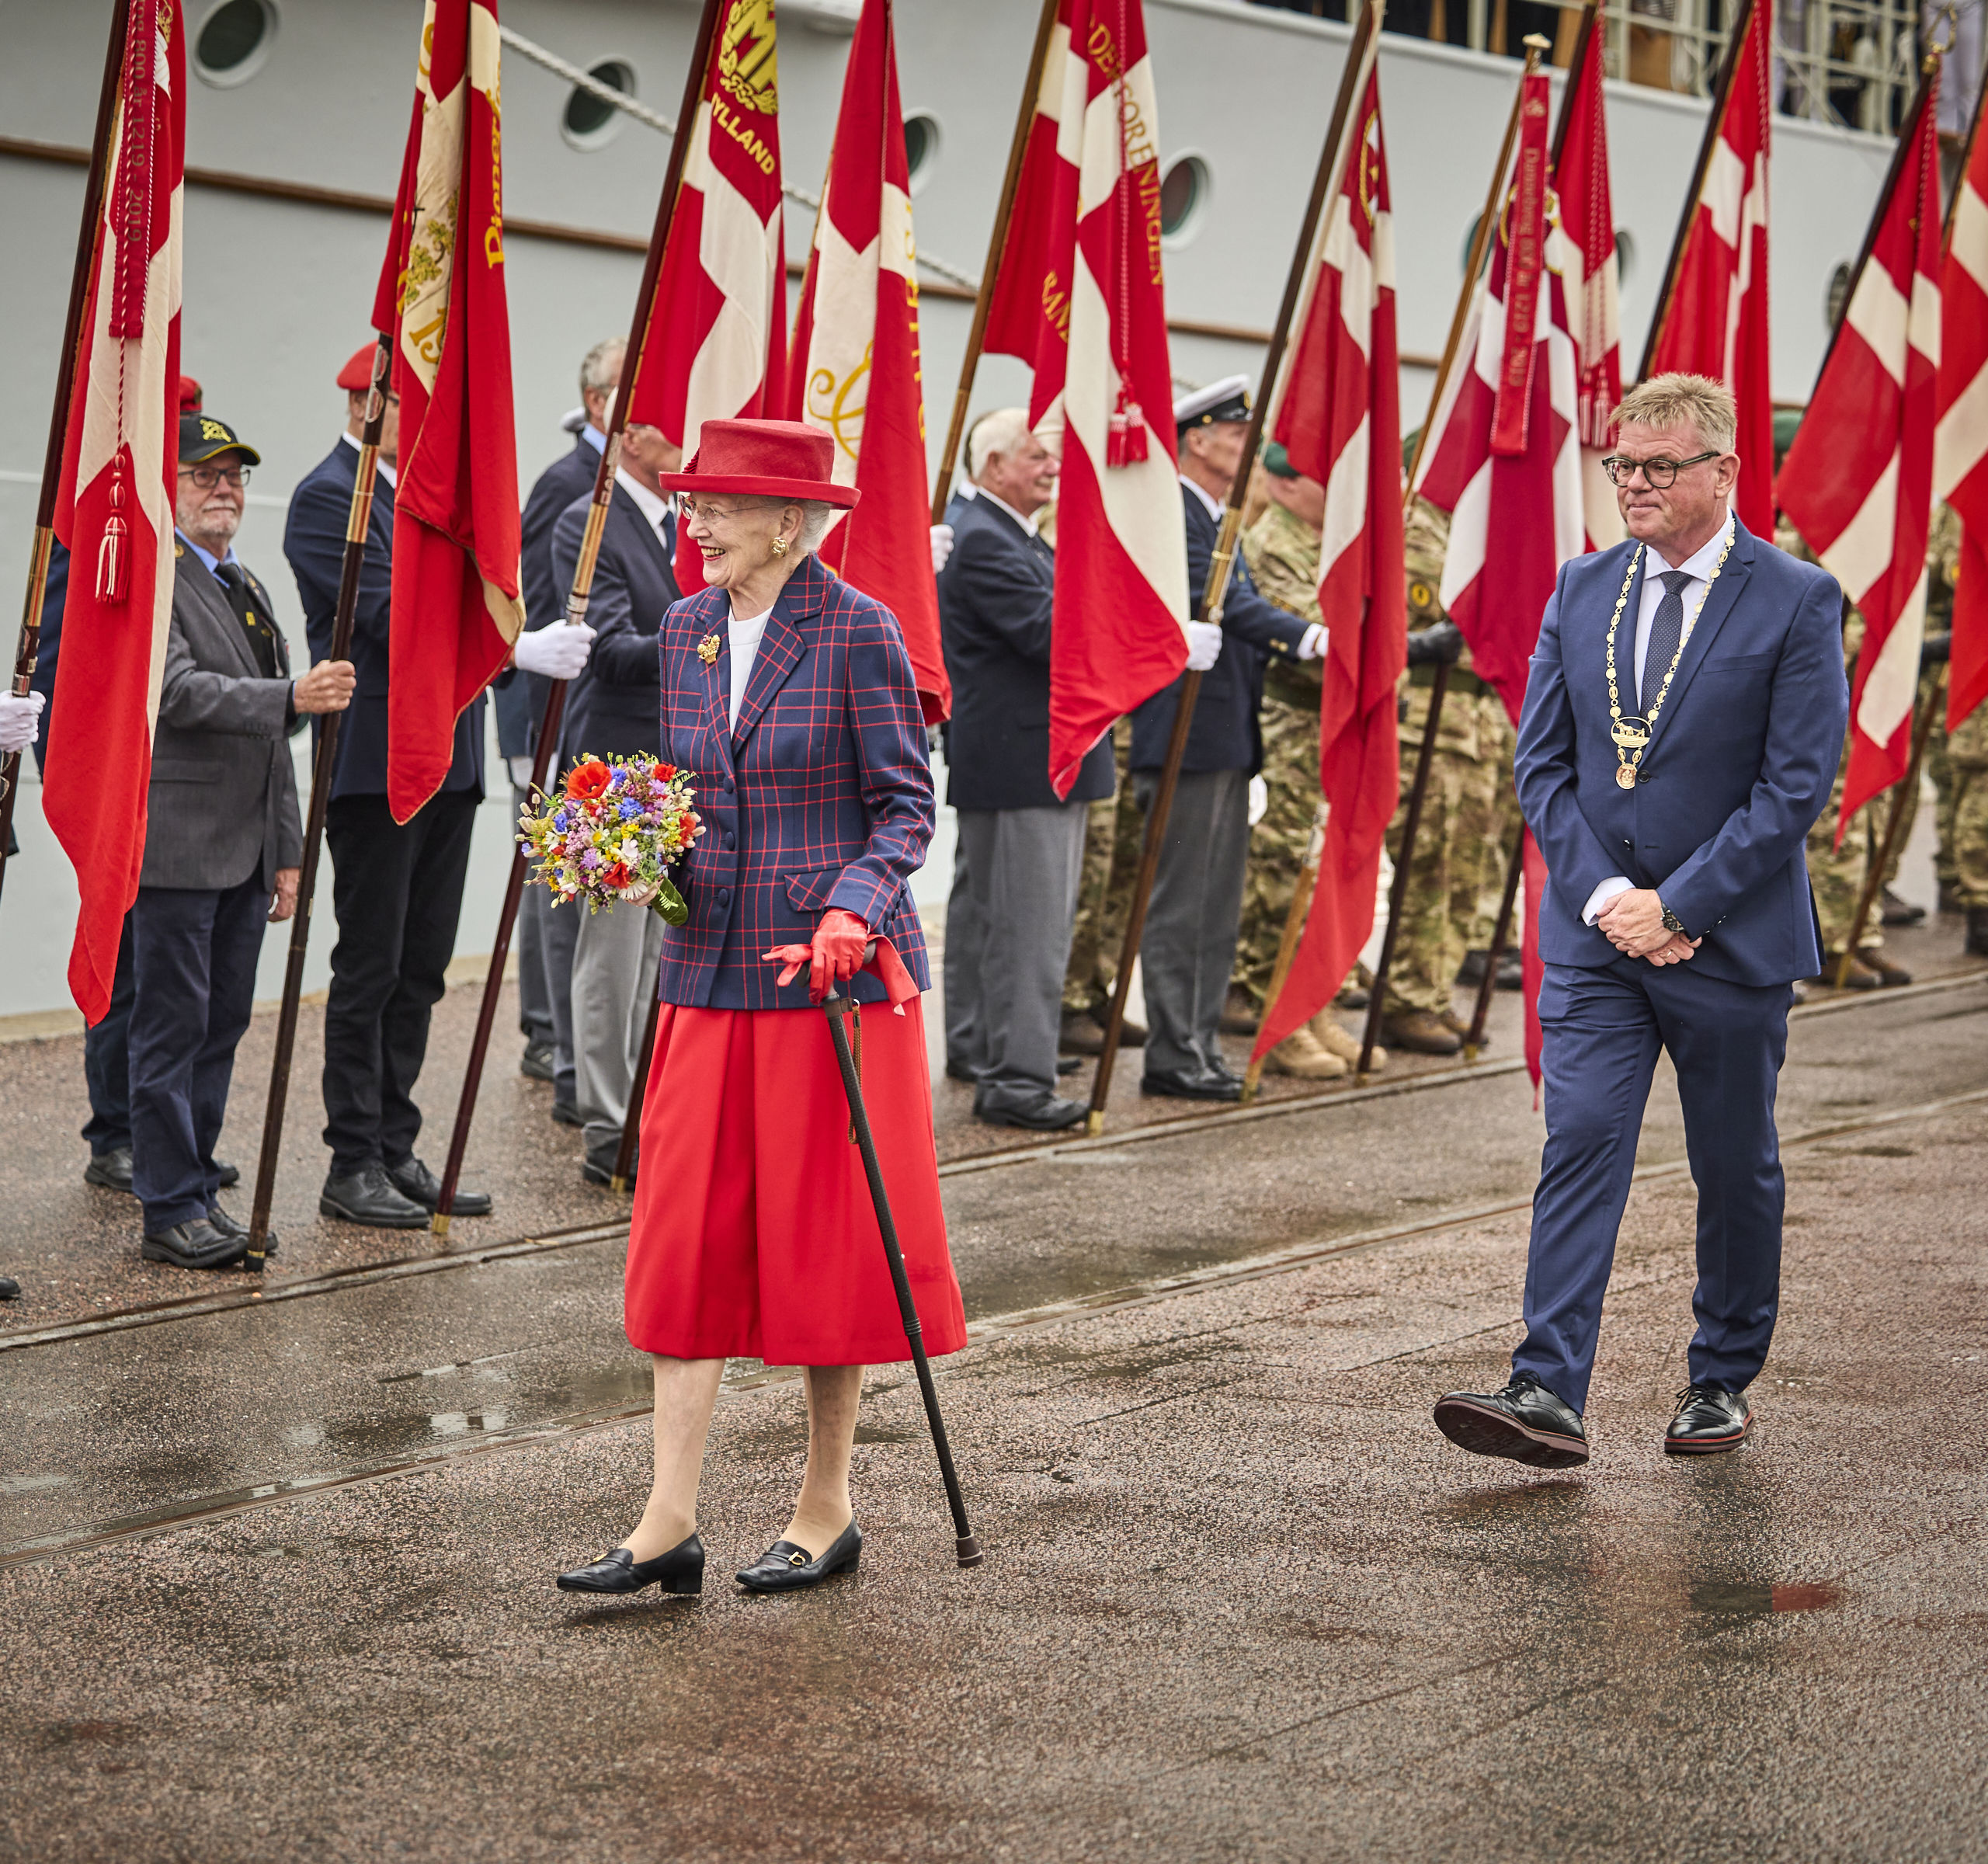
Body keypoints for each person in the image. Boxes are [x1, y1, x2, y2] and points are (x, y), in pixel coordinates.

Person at [556, 419, 965, 1598]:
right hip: (704, 971)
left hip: (824, 980)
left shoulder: (860, 630)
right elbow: (690, 793)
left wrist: (854, 909)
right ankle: (664, 1520)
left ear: (786, 522)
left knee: (823, 1241)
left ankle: (824, 1507)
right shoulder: (683, 631)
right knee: (682, 1238)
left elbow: (904, 808)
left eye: (717, 508)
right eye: (691, 505)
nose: (696, 525)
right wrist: (630, 841)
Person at [1434, 374, 1847, 1468]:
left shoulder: (1796, 598)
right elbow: (1544, 763)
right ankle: (1547, 1389)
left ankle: (1720, 1379)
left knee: (1734, 1164)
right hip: (1598, 941)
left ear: (1722, 472)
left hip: (1729, 941)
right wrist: (1613, 902)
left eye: (1661, 466)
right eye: (1623, 465)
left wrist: (1682, 904)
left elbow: (1794, 783)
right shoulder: (1582, 585)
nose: (1636, 485)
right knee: (1580, 1142)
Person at [284, 343, 593, 1229]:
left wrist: (499, 638)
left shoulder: (425, 500)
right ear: (362, 405)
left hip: (450, 760)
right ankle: (351, 1159)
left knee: (421, 970)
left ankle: (395, 1144)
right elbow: (383, 614)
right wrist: (507, 648)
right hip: (379, 760)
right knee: (370, 965)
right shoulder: (324, 499)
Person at [130, 413, 356, 1268]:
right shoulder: (160, 579)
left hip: (246, 845)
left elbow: (274, 735)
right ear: (172, 487)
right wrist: (293, 695)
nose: (223, 489)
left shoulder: (245, 584)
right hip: (181, 846)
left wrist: (290, 850)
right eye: (204, 475)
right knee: (171, 1028)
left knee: (221, 1023)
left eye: (233, 476)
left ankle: (195, 1182)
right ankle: (167, 1205)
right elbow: (178, 691)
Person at [38, 375, 210, 1196]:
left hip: (180, 783)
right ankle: (113, 1133)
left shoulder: (186, 544)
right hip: (119, 771)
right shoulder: (101, 521)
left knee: (174, 976)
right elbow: (63, 654)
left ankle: (163, 1135)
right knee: (125, 956)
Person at [1129, 378, 1322, 1101]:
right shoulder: (1172, 513)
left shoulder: (1218, 515)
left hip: (1224, 733)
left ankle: (1200, 1045)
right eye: (1236, 437)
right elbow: (1228, 604)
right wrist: (1309, 637)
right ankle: (1175, 1051)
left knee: (1216, 904)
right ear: (1198, 442)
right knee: (1184, 904)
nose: (1249, 449)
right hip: (1184, 734)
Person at [937, 408, 1111, 1129]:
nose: (1051, 468)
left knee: (989, 915)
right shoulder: (983, 538)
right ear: (994, 465)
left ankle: (985, 1044)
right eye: (1035, 457)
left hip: (1020, 757)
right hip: (1026, 761)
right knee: (1029, 926)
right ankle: (1016, 1076)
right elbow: (1052, 634)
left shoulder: (1002, 532)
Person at [549, 413, 683, 1183]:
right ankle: (608, 1123)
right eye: (671, 428)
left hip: (674, 764)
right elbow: (609, 650)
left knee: (659, 954)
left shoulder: (685, 523)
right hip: (616, 774)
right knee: (613, 959)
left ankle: (646, 1108)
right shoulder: (589, 520)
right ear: (633, 435)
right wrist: (709, 635)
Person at [1229, 443, 1385, 1078]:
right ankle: (1279, 1013)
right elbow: (1318, 629)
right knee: (1286, 868)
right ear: (1288, 485)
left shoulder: (1329, 538)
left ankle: (1316, 1005)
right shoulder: (1272, 543)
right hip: (1295, 724)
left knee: (1329, 867)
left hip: (1336, 725)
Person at [512, 338, 624, 1117]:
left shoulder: (610, 482)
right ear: (596, 401)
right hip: (554, 706)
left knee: (565, 878)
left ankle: (554, 1027)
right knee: (559, 882)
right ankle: (551, 1032)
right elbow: (537, 595)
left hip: (584, 710)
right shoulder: (569, 484)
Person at [1378, 495, 1514, 1055]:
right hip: (1430, 723)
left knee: (1466, 870)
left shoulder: (1482, 527)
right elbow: (1418, 622)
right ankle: (1407, 998)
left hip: (1479, 726)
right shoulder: (1420, 531)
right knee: (1426, 865)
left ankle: (1433, 993)